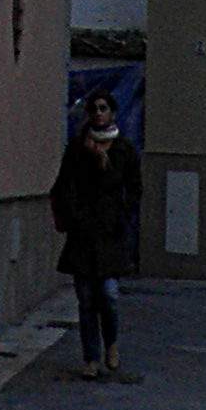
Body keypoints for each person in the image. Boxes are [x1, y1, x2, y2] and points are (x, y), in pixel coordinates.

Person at [51, 86, 143, 382]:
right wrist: (73, 216)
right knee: (86, 299)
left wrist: (123, 215)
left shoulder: (124, 149)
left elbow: (135, 188)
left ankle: (111, 343)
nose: (99, 113)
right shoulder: (78, 148)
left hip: (110, 233)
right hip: (83, 234)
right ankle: (90, 357)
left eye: (103, 108)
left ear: (112, 112)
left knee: (109, 295)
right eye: (94, 109)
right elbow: (64, 185)